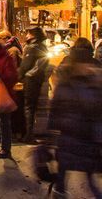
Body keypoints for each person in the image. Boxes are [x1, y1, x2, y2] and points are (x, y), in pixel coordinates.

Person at [48, 38, 102, 198]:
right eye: (84, 64)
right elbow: (55, 109)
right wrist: (49, 137)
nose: (88, 67)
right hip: (69, 138)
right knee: (62, 178)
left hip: (87, 138)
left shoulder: (95, 82)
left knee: (89, 178)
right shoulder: (66, 84)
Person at [18, 27, 49, 144]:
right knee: (32, 107)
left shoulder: (32, 47)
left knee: (28, 107)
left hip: (31, 79)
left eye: (28, 33)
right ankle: (29, 133)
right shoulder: (42, 46)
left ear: (33, 35)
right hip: (38, 79)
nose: (26, 35)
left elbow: (25, 66)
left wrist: (19, 77)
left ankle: (28, 135)